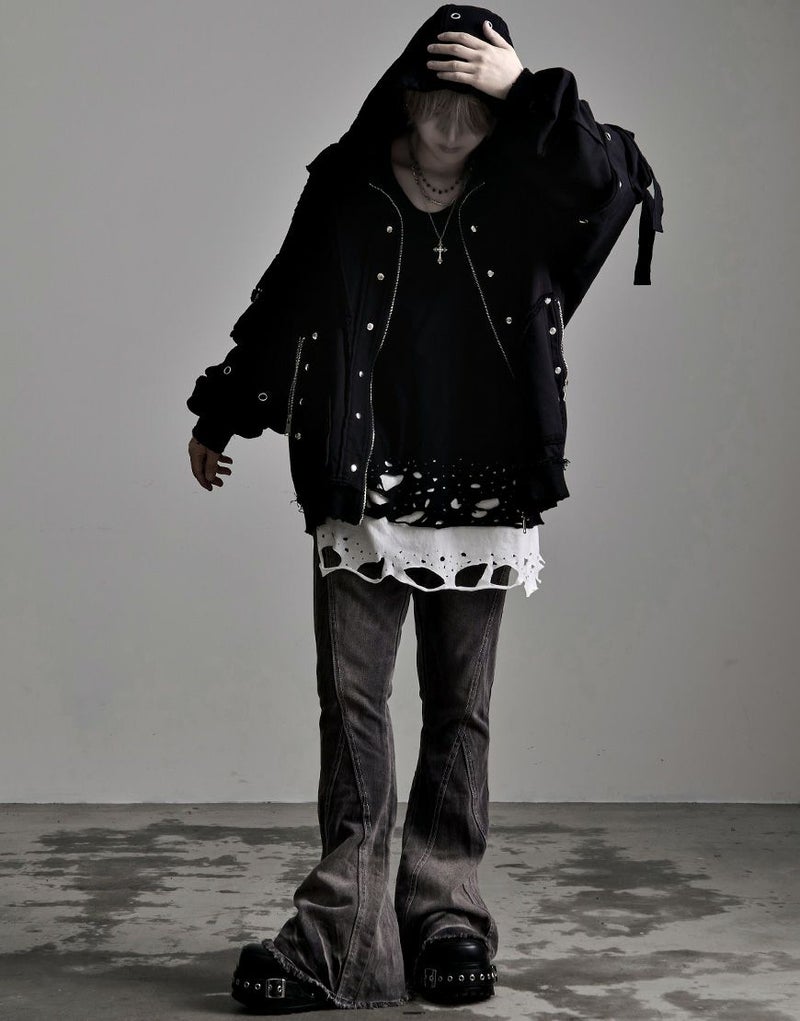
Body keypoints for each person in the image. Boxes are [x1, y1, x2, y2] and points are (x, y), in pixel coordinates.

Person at [186, 4, 663, 1013]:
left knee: (459, 708)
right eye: (435, 104)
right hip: (361, 475)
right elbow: (285, 298)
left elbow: (612, 180)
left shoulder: (528, 186)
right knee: (352, 706)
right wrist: (224, 410)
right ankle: (337, 932)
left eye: (472, 109)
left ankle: (445, 913)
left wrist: (524, 88)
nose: (451, 127)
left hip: (484, 478)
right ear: (403, 100)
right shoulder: (346, 182)